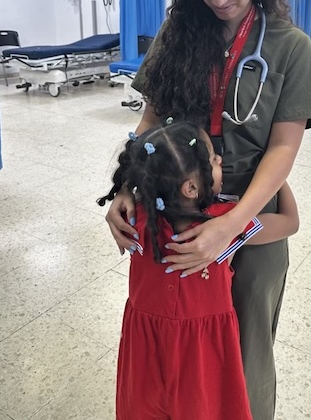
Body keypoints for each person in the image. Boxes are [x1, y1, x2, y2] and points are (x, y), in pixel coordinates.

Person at [104, 0, 311, 419]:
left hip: (249, 213)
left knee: (244, 358)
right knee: (179, 355)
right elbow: (150, 121)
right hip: (177, 211)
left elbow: (283, 147)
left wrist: (232, 226)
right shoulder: (177, 34)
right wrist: (127, 187)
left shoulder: (290, 47)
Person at [97, 119, 300, 420]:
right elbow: (289, 221)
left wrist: (128, 189)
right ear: (191, 187)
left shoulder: (137, 222)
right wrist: (273, 177)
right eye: (213, 159)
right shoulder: (220, 232)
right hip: (203, 360)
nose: (220, 161)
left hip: (145, 355)